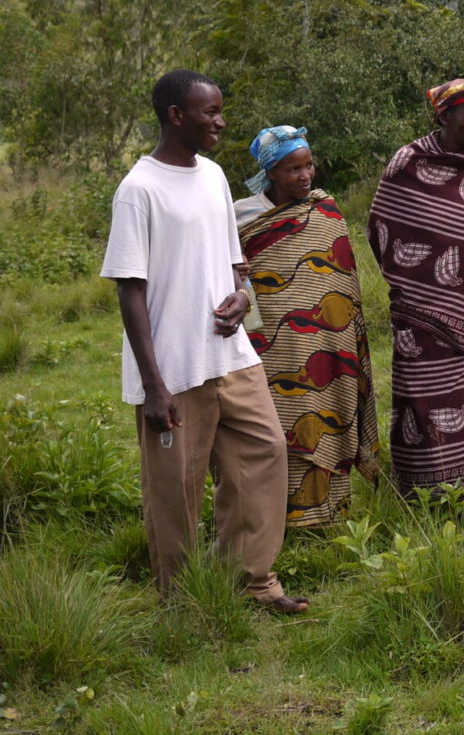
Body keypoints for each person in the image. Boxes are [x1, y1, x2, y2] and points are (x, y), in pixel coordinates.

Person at [100, 69, 307, 613]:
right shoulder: (138, 190)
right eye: (210, 112)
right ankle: (181, 600)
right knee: (177, 490)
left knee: (264, 453)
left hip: (231, 354)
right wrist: (154, 386)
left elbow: (233, 258)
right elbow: (130, 290)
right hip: (174, 367)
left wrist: (242, 294)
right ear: (176, 116)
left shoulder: (213, 174)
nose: (221, 121)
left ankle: (253, 580)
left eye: (219, 110)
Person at [367, 79, 464, 492]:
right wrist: (413, 288)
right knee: (423, 398)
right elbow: (380, 226)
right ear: (445, 115)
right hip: (420, 311)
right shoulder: (407, 162)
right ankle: (421, 490)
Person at [234, 126, 379, 526]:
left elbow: (340, 278)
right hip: (270, 341)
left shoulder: (325, 209)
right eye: (292, 168)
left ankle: (331, 515)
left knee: (328, 409)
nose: (305, 176)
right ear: (271, 173)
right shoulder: (242, 215)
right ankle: (273, 519)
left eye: (308, 165)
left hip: (330, 337)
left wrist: (345, 331)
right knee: (280, 418)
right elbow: (229, 272)